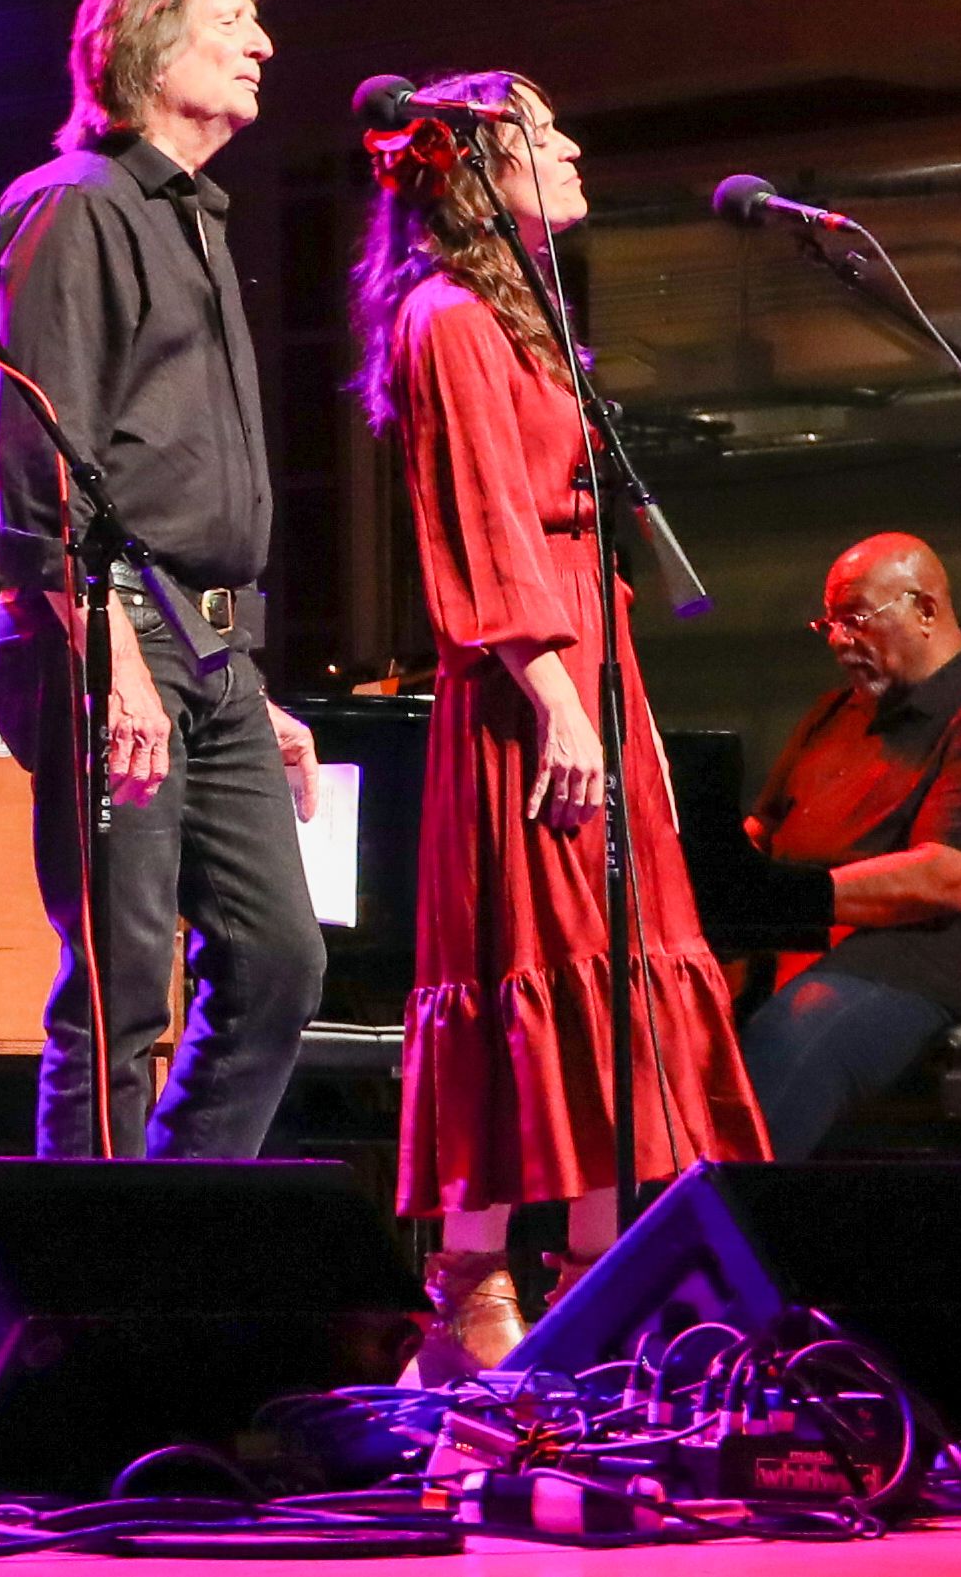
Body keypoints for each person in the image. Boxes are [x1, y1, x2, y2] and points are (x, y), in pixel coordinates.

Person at [363, 72, 763, 1366]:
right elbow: (480, 521)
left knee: (611, 957)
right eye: (543, 130)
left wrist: (606, 697)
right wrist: (553, 698)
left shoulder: (528, 315)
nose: (574, 143)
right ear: (475, 170)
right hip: (527, 681)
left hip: (593, 662)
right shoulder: (449, 319)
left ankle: (597, 1274)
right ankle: (474, 1282)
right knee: (525, 956)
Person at [0, 0, 323, 1162]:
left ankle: (173, 1225)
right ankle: (85, 1281)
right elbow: (40, 458)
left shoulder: (195, 221)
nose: (259, 45)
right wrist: (109, 648)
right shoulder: (75, 204)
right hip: (109, 628)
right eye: (230, 22)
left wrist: (245, 671)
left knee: (280, 955)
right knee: (122, 978)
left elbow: (183, 468)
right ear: (149, 41)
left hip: (209, 651)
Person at [734, 535, 961, 1151]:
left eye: (854, 619)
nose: (836, 640)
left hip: (934, 963)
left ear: (926, 610)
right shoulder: (833, 713)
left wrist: (787, 898)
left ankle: (706, 1235)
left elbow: (949, 877)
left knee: (789, 1040)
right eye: (827, 623)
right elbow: (763, 833)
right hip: (816, 949)